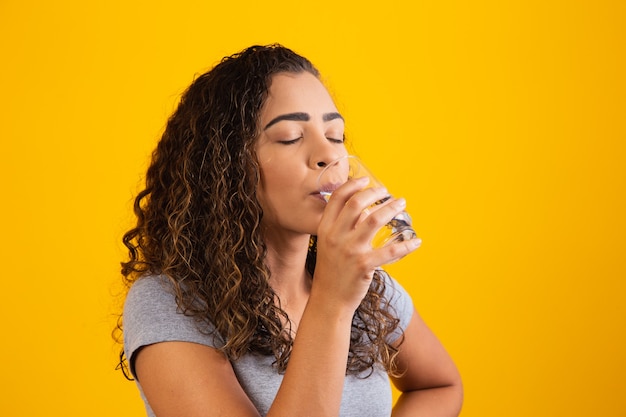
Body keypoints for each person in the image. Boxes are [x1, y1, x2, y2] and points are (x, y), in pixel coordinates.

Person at [116, 43, 463, 417]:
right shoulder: (170, 302)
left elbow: (440, 386)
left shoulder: (366, 286)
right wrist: (332, 301)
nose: (328, 155)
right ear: (227, 166)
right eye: (290, 137)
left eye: (335, 136)